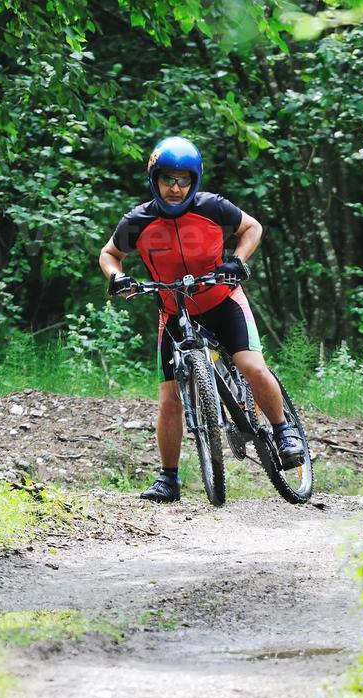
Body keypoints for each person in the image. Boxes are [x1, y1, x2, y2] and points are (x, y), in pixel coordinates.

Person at [99, 135, 304, 503]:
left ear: (195, 181)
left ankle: (284, 429)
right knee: (168, 399)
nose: (176, 188)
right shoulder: (138, 220)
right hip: (174, 311)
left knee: (252, 367)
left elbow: (252, 228)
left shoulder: (213, 208)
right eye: (168, 179)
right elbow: (110, 254)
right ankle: (169, 479)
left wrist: (237, 261)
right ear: (154, 179)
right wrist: (118, 278)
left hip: (222, 300)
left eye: (184, 180)